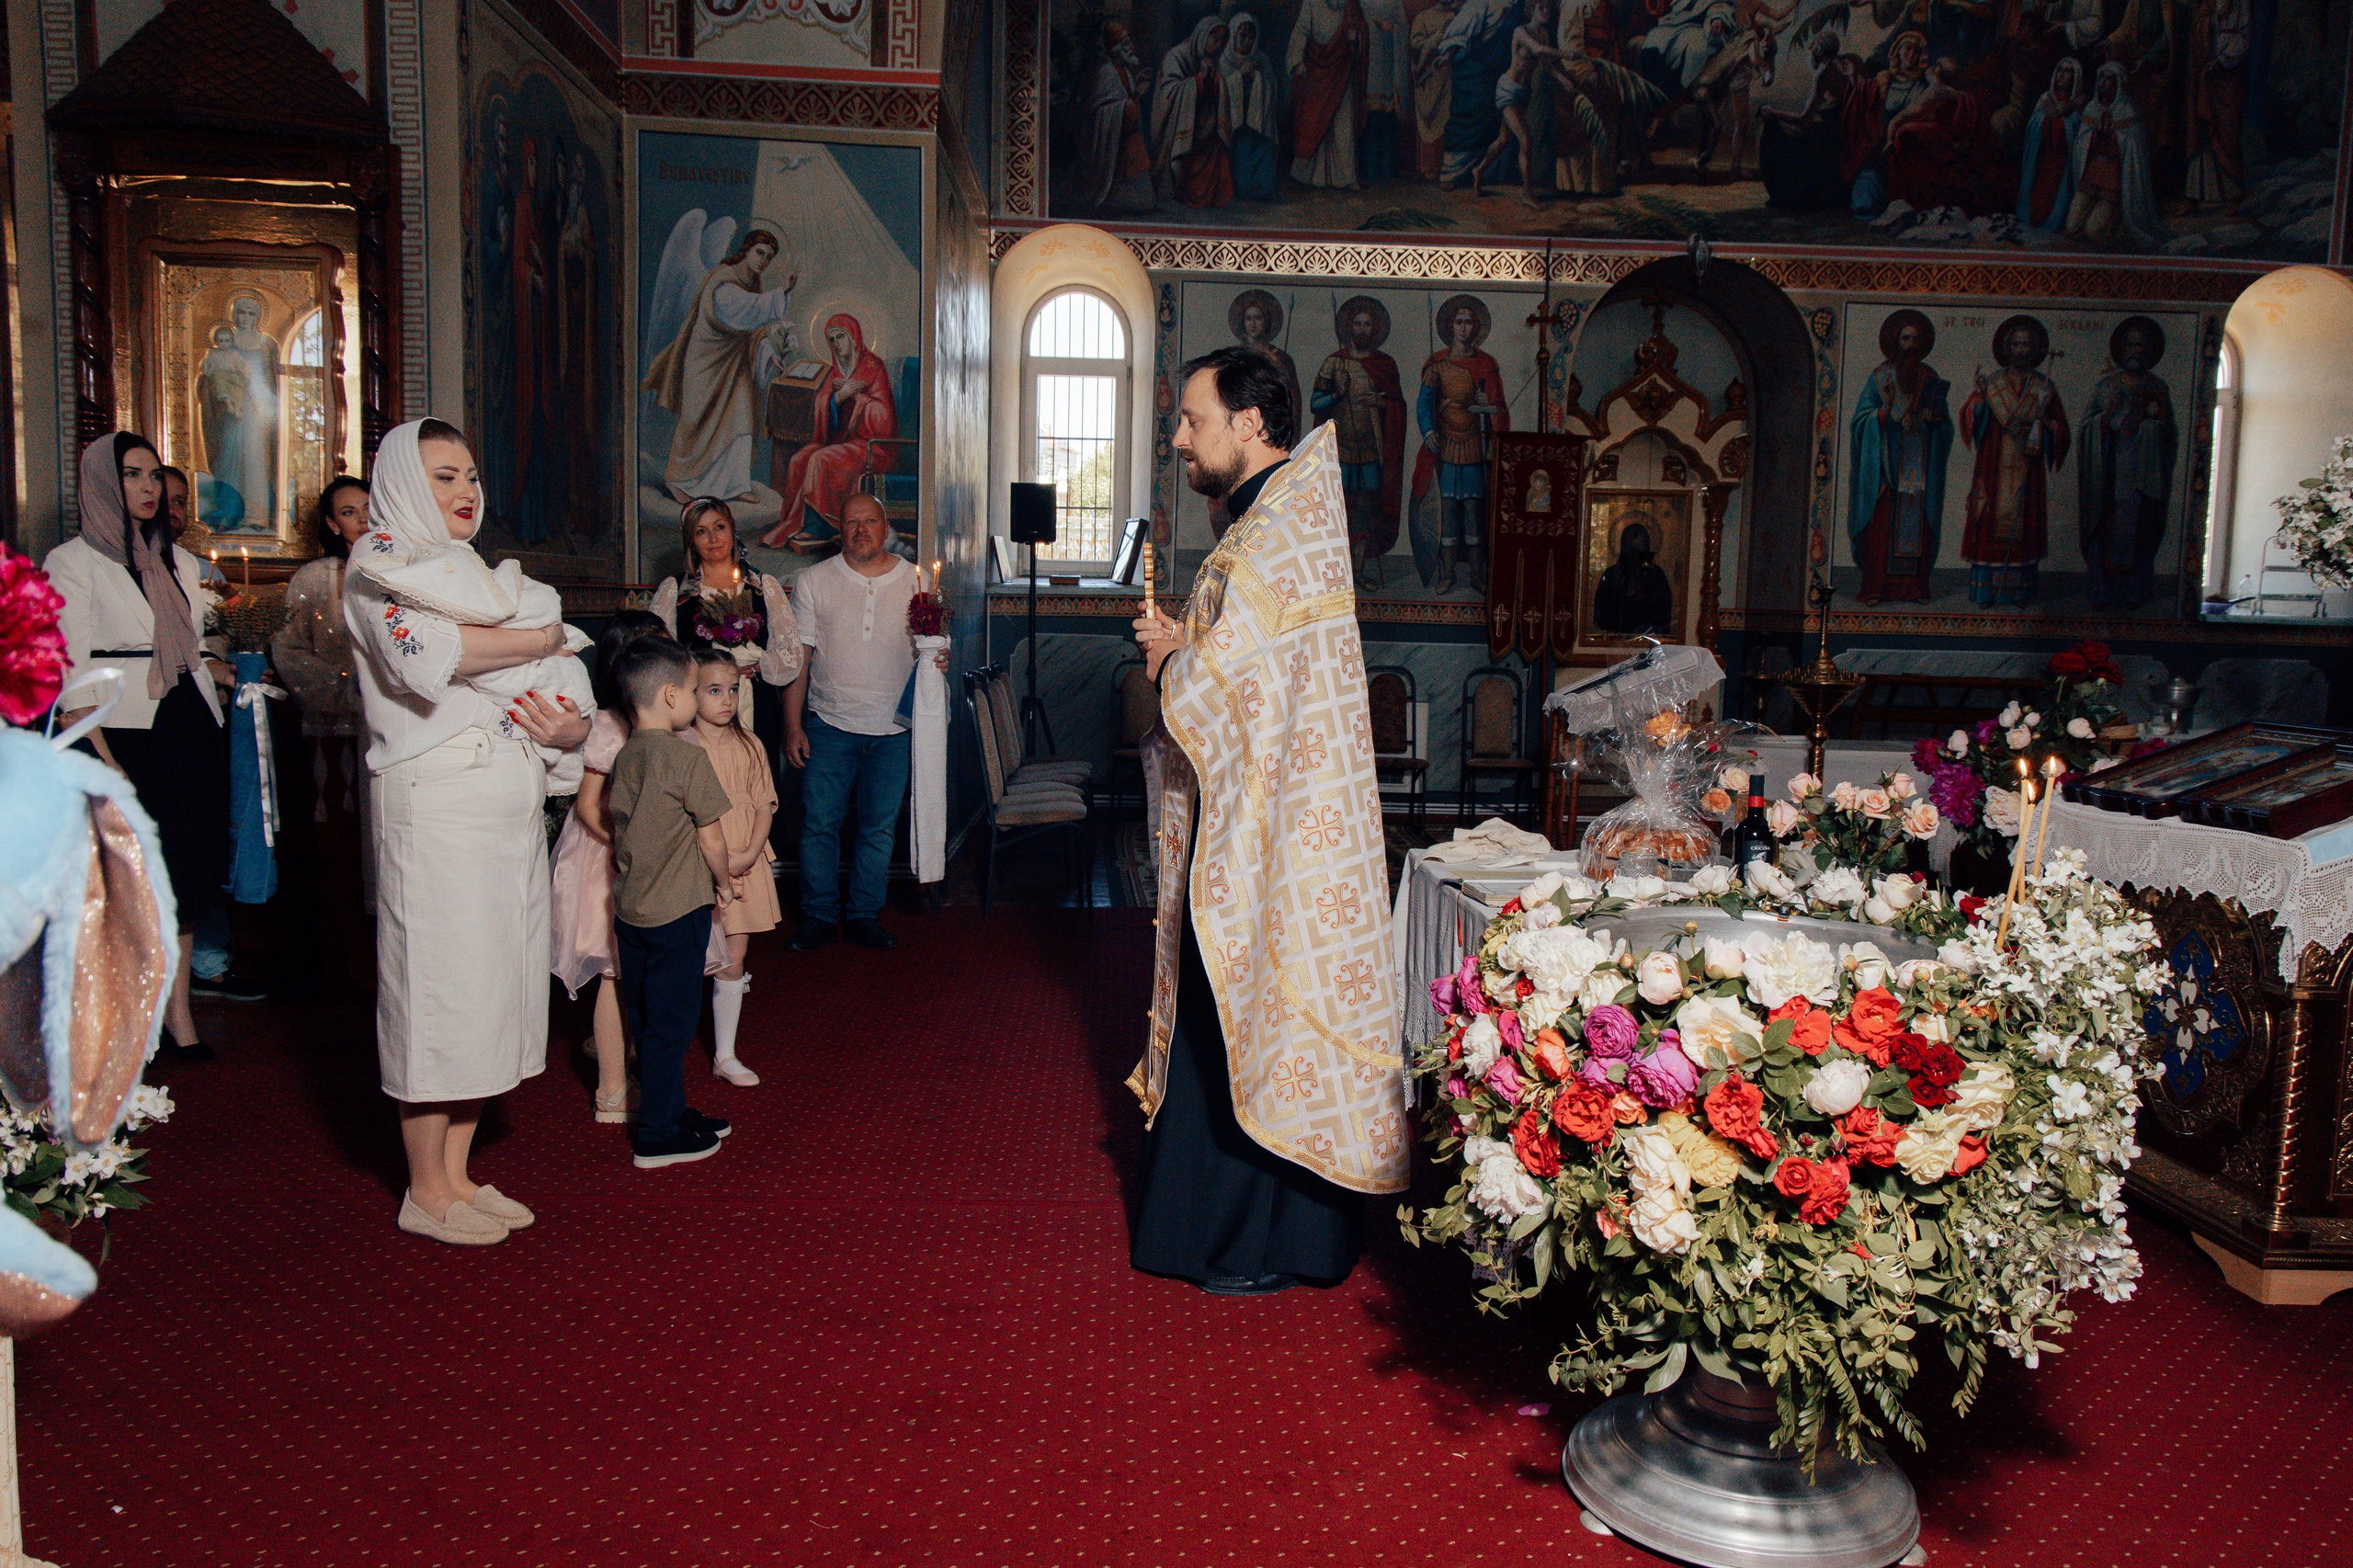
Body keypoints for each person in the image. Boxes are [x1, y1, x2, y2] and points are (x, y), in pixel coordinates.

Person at [1126, 347, 1407, 1296]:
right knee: (1243, 1009)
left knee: (1245, 1011)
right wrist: (1188, 647)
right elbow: (1253, 669)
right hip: (1260, 812)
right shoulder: (1275, 517)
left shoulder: (1276, 528)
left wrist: (1172, 663)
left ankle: (1246, 1242)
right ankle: (1262, 1234)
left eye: (1193, 419)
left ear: (1250, 423)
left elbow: (1228, 684)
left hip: (1268, 831)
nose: (1180, 437)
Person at [343, 418, 591, 1245]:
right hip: (437, 807)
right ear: (402, 485)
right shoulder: (378, 567)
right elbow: (429, 655)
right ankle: (424, 1188)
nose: (465, 492)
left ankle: (455, 1173)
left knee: (493, 988)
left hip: (506, 803)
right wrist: (542, 637)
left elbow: (550, 680)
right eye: (443, 477)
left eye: (472, 476)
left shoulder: (473, 573)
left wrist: (565, 723)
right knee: (442, 992)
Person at [46, 433, 235, 1065]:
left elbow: (198, 642)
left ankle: (179, 1016)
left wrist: (222, 670)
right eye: (131, 474)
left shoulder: (178, 560)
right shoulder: (71, 561)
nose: (149, 487)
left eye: (154, 475)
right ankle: (128, 1023)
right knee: (126, 880)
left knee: (185, 872)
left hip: (187, 722)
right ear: (102, 482)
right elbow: (68, 668)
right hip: (120, 730)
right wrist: (102, 757)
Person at [549, 611, 725, 1122]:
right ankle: (612, 1091)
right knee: (614, 975)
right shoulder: (607, 726)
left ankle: (647, 1082)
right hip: (608, 857)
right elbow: (588, 806)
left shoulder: (678, 735)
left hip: (660, 868)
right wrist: (631, 845)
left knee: (652, 986)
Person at [604, 637, 738, 1170]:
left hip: (632, 911)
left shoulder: (626, 755)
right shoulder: (686, 757)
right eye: (692, 689)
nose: (695, 699)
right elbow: (711, 836)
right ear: (669, 696)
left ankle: (669, 1110)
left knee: (648, 1018)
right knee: (673, 1025)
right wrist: (723, 883)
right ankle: (656, 1136)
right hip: (678, 912)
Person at [781, 494, 918, 953]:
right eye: (852, 521)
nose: (862, 529)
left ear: (885, 526)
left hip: (894, 730)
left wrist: (938, 660)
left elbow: (933, 652)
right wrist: (793, 725)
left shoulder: (916, 580)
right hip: (828, 724)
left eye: (870, 521)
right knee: (819, 825)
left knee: (878, 829)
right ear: (840, 528)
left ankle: (863, 915)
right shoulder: (813, 580)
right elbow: (799, 659)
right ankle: (818, 916)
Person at [273, 475, 373, 987]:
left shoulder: (403, 573)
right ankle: (342, 967)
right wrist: (346, 693)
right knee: (339, 850)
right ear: (333, 524)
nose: (363, 520)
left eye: (369, 508)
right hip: (332, 737)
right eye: (349, 513)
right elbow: (289, 649)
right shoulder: (313, 579)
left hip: (393, 736)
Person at [653, 496, 803, 823]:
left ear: (732, 529)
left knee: (755, 793)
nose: (713, 538)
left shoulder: (763, 586)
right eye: (701, 531)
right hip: (697, 712)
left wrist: (757, 665)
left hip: (756, 705)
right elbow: (659, 657)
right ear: (691, 540)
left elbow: (790, 653)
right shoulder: (676, 591)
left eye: (719, 527)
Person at [641, 223, 798, 506]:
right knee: (697, 421)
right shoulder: (724, 279)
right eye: (760, 253)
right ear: (746, 250)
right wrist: (781, 293)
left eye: (769, 257)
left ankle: (734, 484)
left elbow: (750, 329)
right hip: (707, 361)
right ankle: (678, 479)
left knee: (742, 416)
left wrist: (768, 353)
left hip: (735, 362)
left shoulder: (751, 283)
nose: (763, 261)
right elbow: (739, 312)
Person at [684, 649, 780, 1086]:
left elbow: (764, 803)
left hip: (745, 858)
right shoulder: (682, 743)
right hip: (696, 862)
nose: (727, 700)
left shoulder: (750, 743)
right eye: (714, 690)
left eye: (734, 690)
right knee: (686, 957)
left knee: (733, 958)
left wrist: (750, 853)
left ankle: (725, 1055)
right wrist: (717, 862)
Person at [765, 314, 899, 556]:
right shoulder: (836, 369)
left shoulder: (874, 367)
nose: (836, 344)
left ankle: (821, 529)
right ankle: (798, 523)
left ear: (854, 338)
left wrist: (857, 397)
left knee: (822, 459)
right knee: (799, 460)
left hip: (872, 447)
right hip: (841, 443)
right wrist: (839, 397)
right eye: (832, 340)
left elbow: (884, 419)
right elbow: (822, 406)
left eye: (841, 337)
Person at [1960, 317, 2070, 608]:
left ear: (2034, 350)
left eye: (2026, 345)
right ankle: (1986, 592)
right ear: (2007, 349)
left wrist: (2046, 422)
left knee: (2025, 522)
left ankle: (2020, 593)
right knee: (1988, 521)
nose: (2021, 350)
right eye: (2016, 345)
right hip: (1993, 467)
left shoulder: (2044, 386)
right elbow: (1972, 421)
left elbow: (2062, 430)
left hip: (2027, 467)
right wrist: (1980, 398)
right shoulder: (1992, 384)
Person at [1847, 309, 1951, 604]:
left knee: (1917, 529)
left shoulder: (1929, 376)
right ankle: (1875, 589)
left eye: (1916, 339)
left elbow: (1943, 425)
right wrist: (1883, 413)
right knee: (1882, 527)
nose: (1911, 345)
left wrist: (1933, 420)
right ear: (1896, 341)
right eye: (1906, 338)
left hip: (1917, 466)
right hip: (1886, 467)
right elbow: (1861, 420)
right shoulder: (1880, 377)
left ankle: (1916, 589)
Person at [2078, 316, 2176, 609]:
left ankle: (2135, 591)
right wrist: (2106, 416)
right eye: (2130, 344)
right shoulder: (2106, 386)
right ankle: (2103, 592)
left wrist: (2149, 429)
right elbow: (2086, 428)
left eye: (2140, 345)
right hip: (2110, 476)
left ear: (2148, 351)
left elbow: (2169, 435)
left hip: (2142, 479)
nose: (2134, 350)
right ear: (2121, 349)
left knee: (2140, 534)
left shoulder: (2157, 388)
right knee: (2106, 533)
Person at [1310, 297, 1407, 587]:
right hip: (1339, 451)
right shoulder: (1333, 363)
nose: (1362, 329)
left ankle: (1359, 572)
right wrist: (1337, 394)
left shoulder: (1384, 365)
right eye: (1357, 324)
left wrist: (1383, 403)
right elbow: (1316, 404)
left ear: (1374, 329)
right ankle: (1336, 575)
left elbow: (1398, 406)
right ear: (1349, 327)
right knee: (1338, 511)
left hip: (1370, 452)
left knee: (1365, 510)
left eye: (1367, 324)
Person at [1414, 297, 1509, 594]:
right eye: (1459, 322)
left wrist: (1487, 406)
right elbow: (1424, 404)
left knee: (1473, 511)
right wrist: (1428, 432)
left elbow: (1499, 408)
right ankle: (1447, 575)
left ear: (1476, 327)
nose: (1464, 328)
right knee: (1446, 512)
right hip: (1445, 446)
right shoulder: (1437, 363)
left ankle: (1477, 576)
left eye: (1469, 322)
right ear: (1450, 326)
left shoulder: (1487, 364)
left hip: (1474, 447)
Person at [2065, 62, 2169, 247]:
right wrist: (2095, 134)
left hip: (2113, 183)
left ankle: (2119, 217)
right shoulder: (2092, 108)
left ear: (2118, 84)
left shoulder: (2127, 110)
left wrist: (2113, 135)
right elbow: (2081, 144)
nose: (2103, 83)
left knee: (2093, 231)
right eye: (2102, 78)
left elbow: (2134, 150)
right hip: (2090, 178)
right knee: (2071, 226)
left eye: (2109, 79)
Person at [1760, 31, 1854, 212]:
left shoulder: (1823, 75)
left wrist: (1773, 113)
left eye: (1814, 45)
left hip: (1827, 136)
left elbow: (1804, 120)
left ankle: (1781, 195)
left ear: (1820, 50)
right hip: (1836, 132)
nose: (1810, 49)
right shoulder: (1842, 66)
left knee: (1771, 130)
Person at [1151, 18, 1236, 210]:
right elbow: (1169, 93)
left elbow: (1216, 88)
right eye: (1215, 39)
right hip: (1180, 126)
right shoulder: (1176, 56)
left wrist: (1215, 80)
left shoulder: (1208, 58)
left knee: (1215, 144)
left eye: (1221, 42)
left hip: (1202, 123)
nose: (1217, 46)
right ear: (1203, 35)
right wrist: (1198, 80)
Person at [1288, 0, 1369, 190]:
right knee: (1314, 121)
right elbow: (1301, 31)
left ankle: (1346, 177)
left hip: (1342, 69)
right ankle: (1308, 176)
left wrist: (1356, 38)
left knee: (1343, 125)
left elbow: (1362, 31)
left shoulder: (1352, 4)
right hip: (1315, 69)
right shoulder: (1311, 3)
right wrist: (1297, 61)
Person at [1078, 22, 1158, 213]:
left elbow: (1128, 109)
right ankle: (1101, 200)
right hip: (1114, 146)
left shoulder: (1127, 73)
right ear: (1116, 47)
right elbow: (1102, 112)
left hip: (1129, 145)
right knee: (1144, 201)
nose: (1133, 47)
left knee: (1147, 198)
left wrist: (1135, 95)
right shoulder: (1106, 73)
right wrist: (1133, 99)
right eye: (1127, 43)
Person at [2016, 57, 2086, 232]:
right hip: (2041, 160)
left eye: (2068, 71)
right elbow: (2033, 126)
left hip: (2062, 163)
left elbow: (2078, 133)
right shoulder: (2046, 98)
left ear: (2075, 77)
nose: (2062, 75)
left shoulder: (2078, 104)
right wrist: (2047, 118)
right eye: (2060, 70)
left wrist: (2062, 120)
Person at [1220, 14, 1281, 200]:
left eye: (1251, 37)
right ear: (1234, 35)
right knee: (1242, 171)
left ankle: (1263, 190)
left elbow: (1273, 88)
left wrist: (1258, 78)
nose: (1247, 41)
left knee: (1263, 160)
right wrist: (1240, 75)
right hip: (1238, 126)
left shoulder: (1261, 59)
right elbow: (1221, 89)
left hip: (1259, 123)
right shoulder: (1225, 60)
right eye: (1243, 36)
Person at [1592, 519, 1677, 634]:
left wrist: (1644, 599)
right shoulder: (1612, 574)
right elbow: (1602, 612)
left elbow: (1664, 611)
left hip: (1650, 636)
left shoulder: (1656, 574)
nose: (1636, 557)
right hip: (1616, 637)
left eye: (1640, 550)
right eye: (1632, 550)